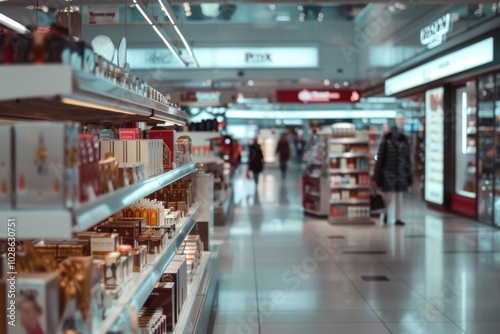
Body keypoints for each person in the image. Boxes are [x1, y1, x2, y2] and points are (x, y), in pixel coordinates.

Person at [372, 116, 413, 226]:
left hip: (401, 175)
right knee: (388, 197)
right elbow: (379, 160)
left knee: (399, 196)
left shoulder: (404, 143)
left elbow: (408, 161)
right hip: (388, 175)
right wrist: (376, 177)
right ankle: (385, 213)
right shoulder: (385, 143)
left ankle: (398, 218)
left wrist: (410, 178)